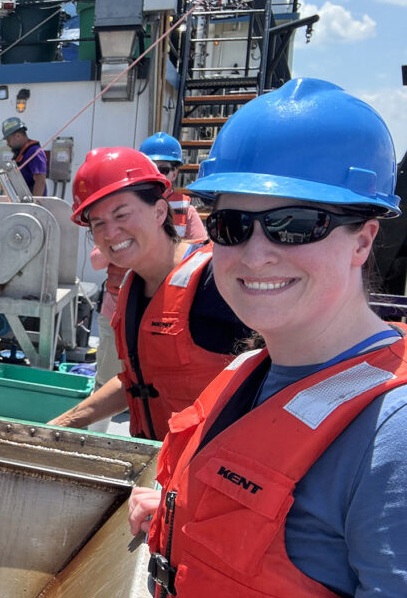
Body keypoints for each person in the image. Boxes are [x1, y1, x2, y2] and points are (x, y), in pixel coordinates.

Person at [129, 78, 407, 597]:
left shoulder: (393, 439)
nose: (255, 255)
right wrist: (179, 506)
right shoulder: (246, 371)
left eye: (296, 224)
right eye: (232, 225)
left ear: (363, 239)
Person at [47, 147, 251, 440]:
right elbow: (138, 382)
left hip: (211, 468)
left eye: (122, 215)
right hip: (154, 461)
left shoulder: (216, 281)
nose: (110, 233)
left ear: (159, 211)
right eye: (98, 223)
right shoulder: (132, 287)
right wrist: (61, 425)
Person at [87, 134, 209, 399]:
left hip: (170, 315)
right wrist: (125, 244)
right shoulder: (113, 215)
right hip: (117, 308)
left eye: (164, 170)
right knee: (107, 380)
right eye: (152, 169)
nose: (159, 177)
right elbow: (96, 260)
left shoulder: (185, 210)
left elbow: (199, 252)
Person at [2, 117, 47, 195]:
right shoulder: (22, 153)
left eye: (8, 140)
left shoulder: (34, 152)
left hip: (31, 204)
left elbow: (40, 181)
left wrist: (33, 205)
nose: (8, 144)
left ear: (18, 136)